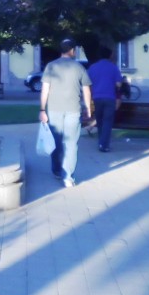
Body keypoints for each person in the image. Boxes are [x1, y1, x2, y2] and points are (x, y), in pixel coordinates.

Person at [39, 39, 92, 187]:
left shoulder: (51, 66)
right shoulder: (79, 67)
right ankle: (68, 176)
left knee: (55, 142)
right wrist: (88, 108)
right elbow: (86, 89)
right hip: (73, 110)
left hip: (54, 110)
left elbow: (45, 90)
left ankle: (56, 170)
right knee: (71, 143)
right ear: (72, 50)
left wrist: (42, 110)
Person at [87, 48, 124, 153]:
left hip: (96, 98)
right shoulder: (113, 67)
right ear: (110, 55)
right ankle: (104, 145)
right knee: (107, 121)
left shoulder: (92, 67)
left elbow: (87, 84)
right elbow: (118, 84)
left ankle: (100, 142)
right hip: (109, 97)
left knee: (99, 121)